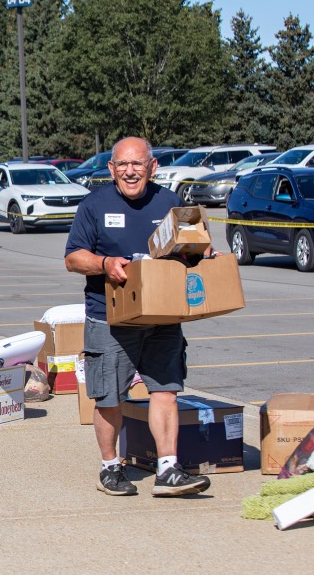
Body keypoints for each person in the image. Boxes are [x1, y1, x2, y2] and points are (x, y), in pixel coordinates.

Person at [64, 136, 211, 497]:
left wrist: (202, 253)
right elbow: (72, 258)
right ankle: (111, 467)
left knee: (166, 392)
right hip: (109, 318)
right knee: (109, 398)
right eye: (123, 165)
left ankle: (168, 470)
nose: (131, 172)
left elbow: (189, 248)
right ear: (112, 169)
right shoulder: (94, 206)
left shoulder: (169, 201)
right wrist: (103, 263)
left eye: (138, 164)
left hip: (162, 316)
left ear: (152, 167)